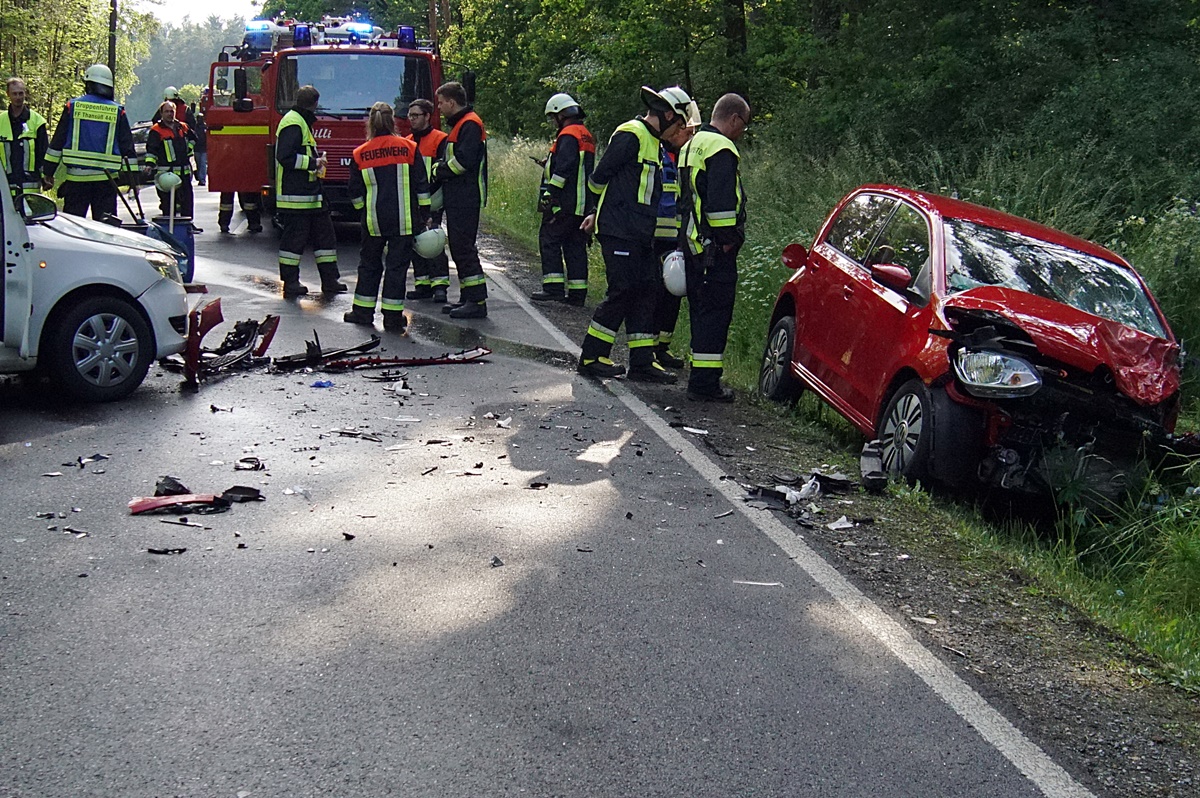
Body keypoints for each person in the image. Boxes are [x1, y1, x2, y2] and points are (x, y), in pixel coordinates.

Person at [576, 85, 694, 383]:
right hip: (620, 230)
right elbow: (599, 177)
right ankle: (592, 355)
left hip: (641, 233)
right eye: (679, 124)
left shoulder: (654, 142)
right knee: (623, 290)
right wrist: (594, 212)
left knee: (648, 289)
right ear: (667, 115)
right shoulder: (631, 134)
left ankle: (642, 361)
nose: (678, 131)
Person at [678, 93, 750, 402]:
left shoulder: (691, 144)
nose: (742, 132)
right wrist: (728, 242)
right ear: (733, 119)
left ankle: (700, 375)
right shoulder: (721, 148)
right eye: (743, 125)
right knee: (715, 314)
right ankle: (705, 384)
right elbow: (721, 207)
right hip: (714, 249)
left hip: (692, 244)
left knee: (700, 310)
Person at [344, 102, 430, 333]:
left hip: (373, 221)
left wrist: (363, 212)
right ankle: (392, 318)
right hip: (404, 220)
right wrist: (424, 216)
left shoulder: (360, 153)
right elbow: (422, 186)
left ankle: (362, 312)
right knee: (396, 268)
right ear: (393, 121)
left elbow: (354, 191)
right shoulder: (409, 148)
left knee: (369, 266)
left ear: (370, 123)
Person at [274, 84, 346, 298]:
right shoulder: (293, 123)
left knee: (326, 241)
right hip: (296, 198)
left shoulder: (299, 121)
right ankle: (291, 283)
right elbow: (284, 157)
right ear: (315, 104)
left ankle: (330, 281)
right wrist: (313, 163)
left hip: (311, 196)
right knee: (293, 243)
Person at [43, 64, 136, 220]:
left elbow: (57, 143)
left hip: (76, 181)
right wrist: (133, 180)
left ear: (88, 84)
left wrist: (48, 172)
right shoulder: (117, 111)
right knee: (106, 230)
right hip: (106, 182)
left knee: (74, 229)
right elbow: (127, 148)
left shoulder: (72, 107)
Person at [431, 81, 488, 319]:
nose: (440, 108)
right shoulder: (462, 124)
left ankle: (476, 301)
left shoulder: (470, 124)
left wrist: (438, 170)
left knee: (464, 248)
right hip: (459, 195)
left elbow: (464, 162)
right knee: (459, 247)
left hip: (466, 196)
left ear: (452, 102)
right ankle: (467, 297)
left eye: (441, 103)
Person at [531, 92, 595, 306]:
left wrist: (551, 195)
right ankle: (577, 294)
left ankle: (553, 288)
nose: (553, 122)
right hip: (582, 205)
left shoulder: (567, 135)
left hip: (565, 203)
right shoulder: (585, 134)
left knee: (548, 239)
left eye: (553, 117)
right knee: (574, 246)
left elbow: (564, 168)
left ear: (560, 114)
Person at [651, 101, 701, 370]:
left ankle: (662, 347)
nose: (688, 135)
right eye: (686, 129)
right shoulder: (656, 151)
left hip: (678, 236)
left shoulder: (686, 155)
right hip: (654, 235)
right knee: (653, 292)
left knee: (673, 292)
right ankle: (648, 350)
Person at [405, 98, 450, 304]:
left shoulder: (440, 139)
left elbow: (442, 171)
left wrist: (428, 195)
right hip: (412, 201)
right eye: (410, 116)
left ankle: (440, 285)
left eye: (416, 115)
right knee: (416, 242)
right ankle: (422, 284)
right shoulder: (406, 141)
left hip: (433, 199)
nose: (411, 119)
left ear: (427, 116)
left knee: (432, 241)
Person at [143, 101, 195, 220]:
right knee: (168, 205)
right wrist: (149, 165)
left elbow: (194, 138)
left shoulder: (183, 127)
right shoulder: (156, 130)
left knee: (187, 203)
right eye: (166, 111)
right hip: (167, 176)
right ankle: (169, 230)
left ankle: (187, 227)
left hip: (184, 174)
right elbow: (152, 150)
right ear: (161, 113)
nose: (170, 114)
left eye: (172, 111)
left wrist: (189, 149)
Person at [0, 77, 49, 196]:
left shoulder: (37, 121)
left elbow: (44, 153)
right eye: (14, 94)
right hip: (5, 189)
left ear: (25, 93)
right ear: (8, 95)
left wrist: (46, 176)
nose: (18, 97)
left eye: (20, 93)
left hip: (30, 188)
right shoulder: (1, 121)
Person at [191, 105, 207, 185]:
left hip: (204, 149)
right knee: (198, 164)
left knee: (203, 163)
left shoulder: (206, 127)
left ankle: (202, 179)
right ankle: (200, 177)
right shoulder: (194, 127)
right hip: (197, 148)